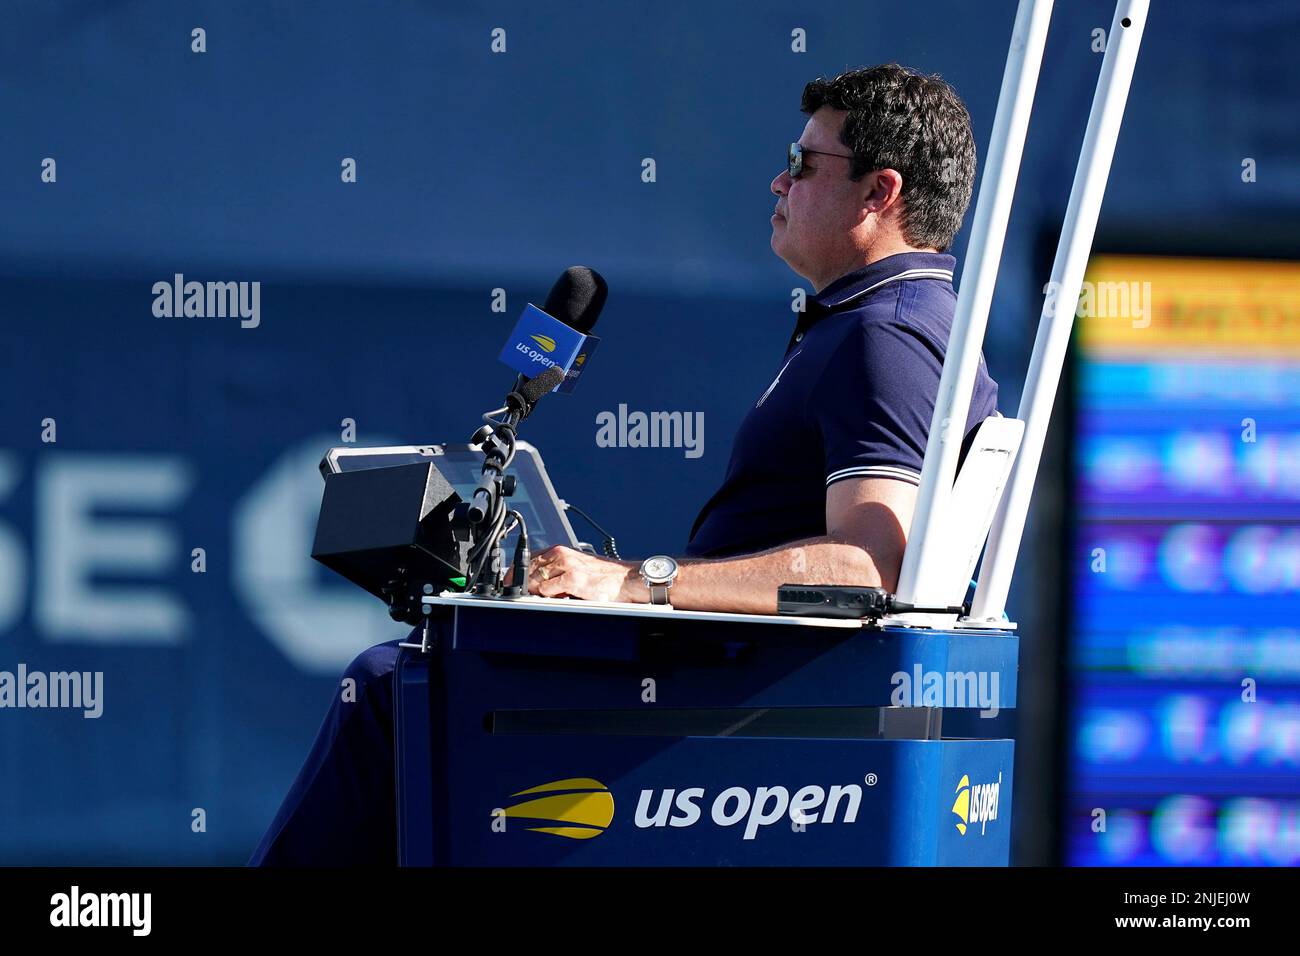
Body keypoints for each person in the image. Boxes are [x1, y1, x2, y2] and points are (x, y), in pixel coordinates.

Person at [250, 63, 999, 865]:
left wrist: (639, 584)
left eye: (805, 162)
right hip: (745, 680)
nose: (778, 179)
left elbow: (870, 566)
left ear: (879, 193)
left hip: (755, 706)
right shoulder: (886, 319)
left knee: (390, 686)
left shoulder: (884, 332)